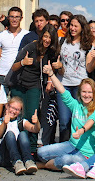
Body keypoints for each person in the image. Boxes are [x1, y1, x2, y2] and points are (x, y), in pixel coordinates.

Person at [37, 66, 95, 170]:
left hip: (86, 154)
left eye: (90, 92)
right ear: (80, 92)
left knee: (66, 160)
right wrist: (51, 74)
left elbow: (91, 121)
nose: (86, 95)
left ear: (94, 94)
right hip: (71, 145)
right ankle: (56, 163)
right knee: (41, 152)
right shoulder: (76, 105)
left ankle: (46, 166)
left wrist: (81, 131)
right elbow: (62, 91)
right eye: (84, 92)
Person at [7, 25, 59, 153]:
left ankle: (31, 149)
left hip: (34, 86)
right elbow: (14, 67)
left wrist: (50, 80)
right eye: (45, 36)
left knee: (32, 115)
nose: (47, 40)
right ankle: (15, 145)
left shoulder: (51, 52)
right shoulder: (31, 47)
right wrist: (23, 63)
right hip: (19, 85)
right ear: (42, 36)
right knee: (18, 115)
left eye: (50, 38)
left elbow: (51, 68)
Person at [56, 15, 94, 142]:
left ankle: (79, 148)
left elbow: (89, 69)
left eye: (75, 26)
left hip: (80, 85)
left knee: (79, 120)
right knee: (64, 122)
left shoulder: (88, 45)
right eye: (71, 25)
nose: (72, 28)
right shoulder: (62, 41)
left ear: (82, 28)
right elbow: (59, 63)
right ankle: (63, 149)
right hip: (63, 84)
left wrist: (94, 58)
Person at [0, 96, 39, 175]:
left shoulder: (20, 121)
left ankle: (28, 160)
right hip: (5, 155)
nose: (14, 111)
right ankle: (16, 162)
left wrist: (36, 122)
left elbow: (35, 129)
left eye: (17, 109)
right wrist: (4, 123)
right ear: (7, 106)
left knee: (23, 134)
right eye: (12, 107)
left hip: (19, 153)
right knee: (10, 134)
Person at [0, 7, 25, 85]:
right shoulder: (0, 35)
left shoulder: (26, 35)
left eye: (17, 17)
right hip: (2, 74)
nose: (14, 20)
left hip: (19, 74)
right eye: (12, 17)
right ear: (8, 18)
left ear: (21, 18)